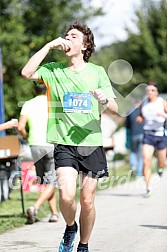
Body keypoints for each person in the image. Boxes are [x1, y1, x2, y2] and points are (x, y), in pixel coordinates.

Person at [21, 20, 118, 252]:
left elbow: (115, 107)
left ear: (84, 46)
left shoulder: (97, 72)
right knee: (66, 196)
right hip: (64, 143)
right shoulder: (53, 70)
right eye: (66, 35)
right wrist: (47, 46)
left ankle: (83, 245)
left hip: (91, 144)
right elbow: (26, 73)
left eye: (73, 36)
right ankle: (70, 227)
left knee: (87, 200)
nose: (67, 38)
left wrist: (103, 99)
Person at [18, 84, 59, 224]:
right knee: (52, 181)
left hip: (35, 145)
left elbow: (20, 127)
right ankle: (35, 207)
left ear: (33, 90)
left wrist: (26, 135)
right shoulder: (53, 103)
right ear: (48, 89)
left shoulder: (28, 104)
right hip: (52, 144)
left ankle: (54, 213)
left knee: (47, 181)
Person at [136, 82, 167, 197]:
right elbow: (141, 116)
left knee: (162, 161)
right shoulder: (144, 104)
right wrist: (139, 119)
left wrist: (164, 116)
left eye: (152, 90)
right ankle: (148, 187)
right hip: (148, 135)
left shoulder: (162, 102)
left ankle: (160, 168)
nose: (150, 92)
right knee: (146, 161)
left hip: (160, 135)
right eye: (148, 90)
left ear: (157, 92)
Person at [125, 102, 144, 178]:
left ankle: (133, 165)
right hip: (142, 135)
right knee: (140, 155)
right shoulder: (142, 112)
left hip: (133, 135)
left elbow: (127, 126)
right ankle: (138, 174)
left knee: (133, 151)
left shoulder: (130, 112)